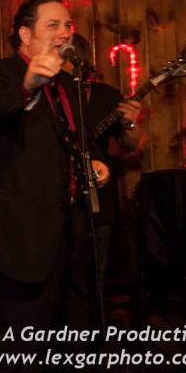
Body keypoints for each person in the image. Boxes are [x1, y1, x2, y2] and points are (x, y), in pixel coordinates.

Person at [0, 0, 110, 373]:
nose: (64, 32)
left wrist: (97, 164)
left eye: (68, 25)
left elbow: (82, 144)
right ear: (25, 35)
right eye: (53, 24)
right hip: (16, 243)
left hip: (67, 240)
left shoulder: (69, 86)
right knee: (18, 358)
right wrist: (28, 85)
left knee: (62, 353)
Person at [63, 33, 143, 283]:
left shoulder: (107, 95)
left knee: (94, 276)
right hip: (59, 199)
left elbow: (132, 144)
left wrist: (129, 123)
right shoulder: (49, 97)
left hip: (98, 195)